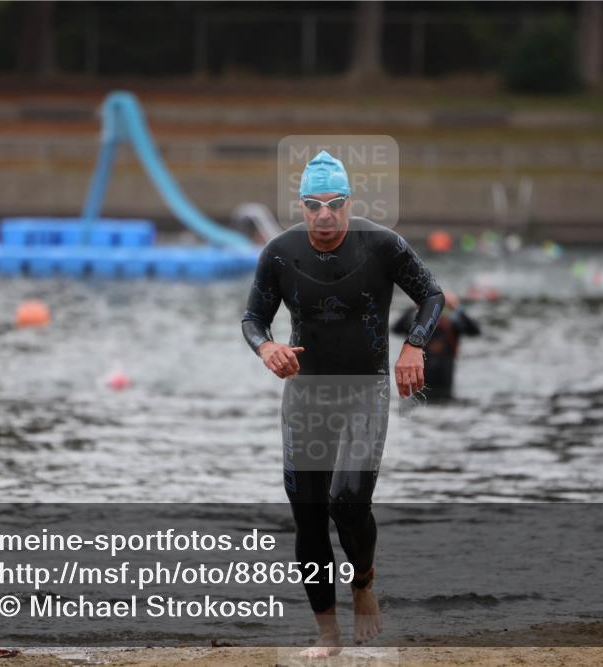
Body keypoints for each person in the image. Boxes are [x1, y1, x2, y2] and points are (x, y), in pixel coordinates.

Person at [241, 150, 444, 657]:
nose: (325, 216)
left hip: (363, 391)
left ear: (349, 202)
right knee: (308, 515)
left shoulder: (382, 245)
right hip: (306, 398)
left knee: (347, 500)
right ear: (302, 206)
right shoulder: (281, 253)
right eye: (313, 205)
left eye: (334, 204)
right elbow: (252, 319)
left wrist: (415, 344)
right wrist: (268, 348)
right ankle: (327, 634)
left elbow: (432, 296)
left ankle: (364, 583)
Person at [391, 291, 480, 401]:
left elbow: (475, 331)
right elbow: (396, 329)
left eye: (443, 309)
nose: (438, 316)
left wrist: (457, 308)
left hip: (444, 383)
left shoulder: (453, 324)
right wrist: (416, 306)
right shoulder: (416, 325)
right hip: (419, 383)